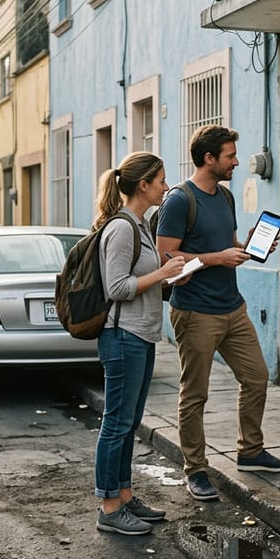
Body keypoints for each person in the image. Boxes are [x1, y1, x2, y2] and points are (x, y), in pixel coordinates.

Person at [156, 125, 280, 503]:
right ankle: (196, 470)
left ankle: (250, 452)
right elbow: (166, 258)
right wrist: (217, 258)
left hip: (233, 307)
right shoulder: (179, 200)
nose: (236, 161)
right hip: (196, 312)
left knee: (257, 377)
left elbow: (225, 245)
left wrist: (247, 246)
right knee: (195, 394)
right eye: (230, 156)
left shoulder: (226, 196)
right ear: (209, 159)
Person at [92, 152, 186, 536]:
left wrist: (170, 278)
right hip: (122, 336)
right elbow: (116, 288)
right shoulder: (121, 228)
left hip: (141, 334)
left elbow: (142, 279)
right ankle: (109, 506)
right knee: (116, 423)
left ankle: (126, 496)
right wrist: (161, 272)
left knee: (129, 423)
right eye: (161, 180)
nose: (166, 186)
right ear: (143, 185)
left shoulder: (142, 224)